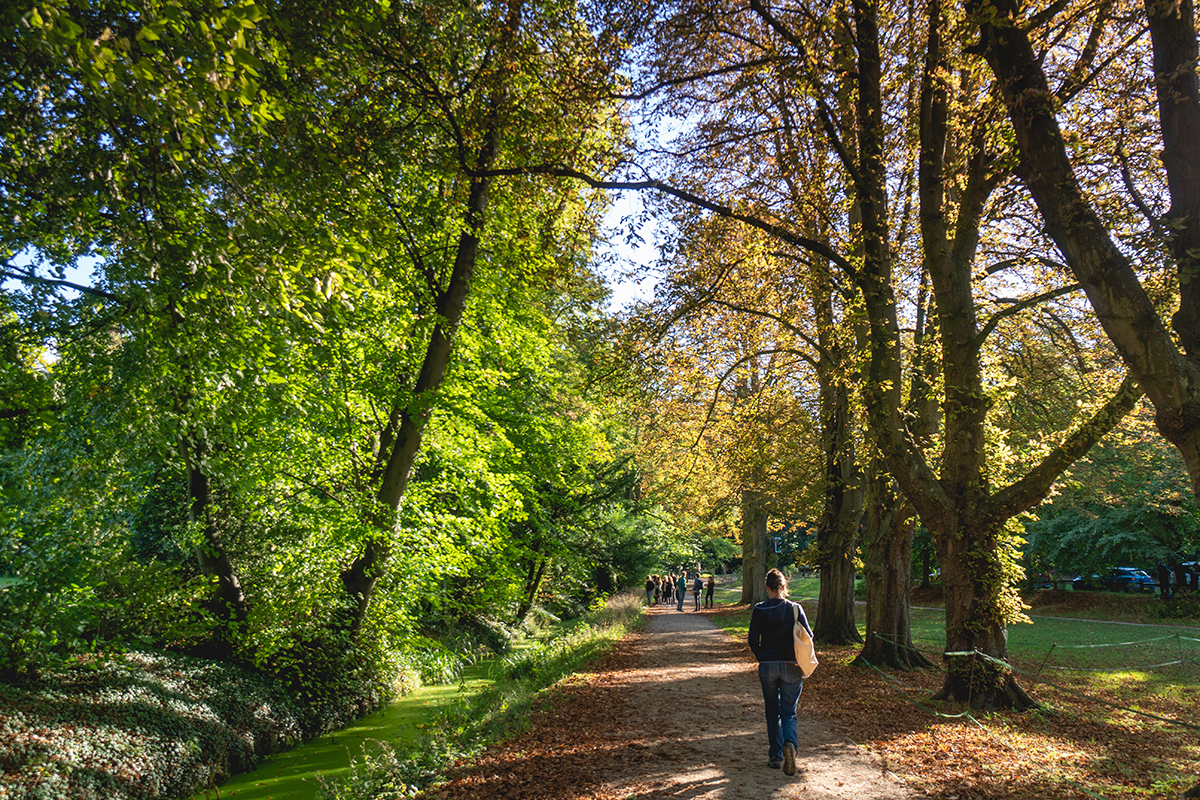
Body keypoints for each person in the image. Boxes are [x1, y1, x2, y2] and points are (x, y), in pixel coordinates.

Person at [748, 568, 812, 776]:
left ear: (767, 587)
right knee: (789, 711)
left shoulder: (759, 609)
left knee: (771, 710)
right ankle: (790, 745)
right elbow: (808, 636)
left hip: (767, 664)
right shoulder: (795, 608)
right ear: (784, 587)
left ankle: (775, 755)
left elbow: (752, 639)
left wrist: (762, 656)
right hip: (791, 664)